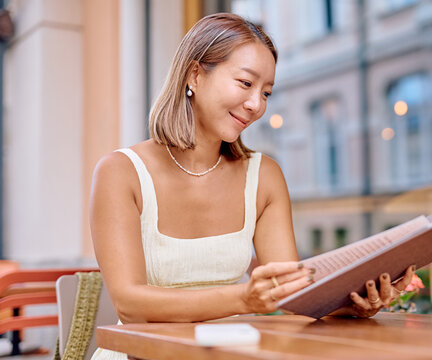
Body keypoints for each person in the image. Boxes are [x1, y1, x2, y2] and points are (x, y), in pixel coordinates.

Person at [90, 13, 415, 359]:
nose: (256, 105)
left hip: (232, 353)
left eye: (266, 92)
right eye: (245, 83)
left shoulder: (264, 176)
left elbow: (293, 297)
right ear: (195, 75)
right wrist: (244, 298)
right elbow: (130, 305)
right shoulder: (120, 172)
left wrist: (354, 304)